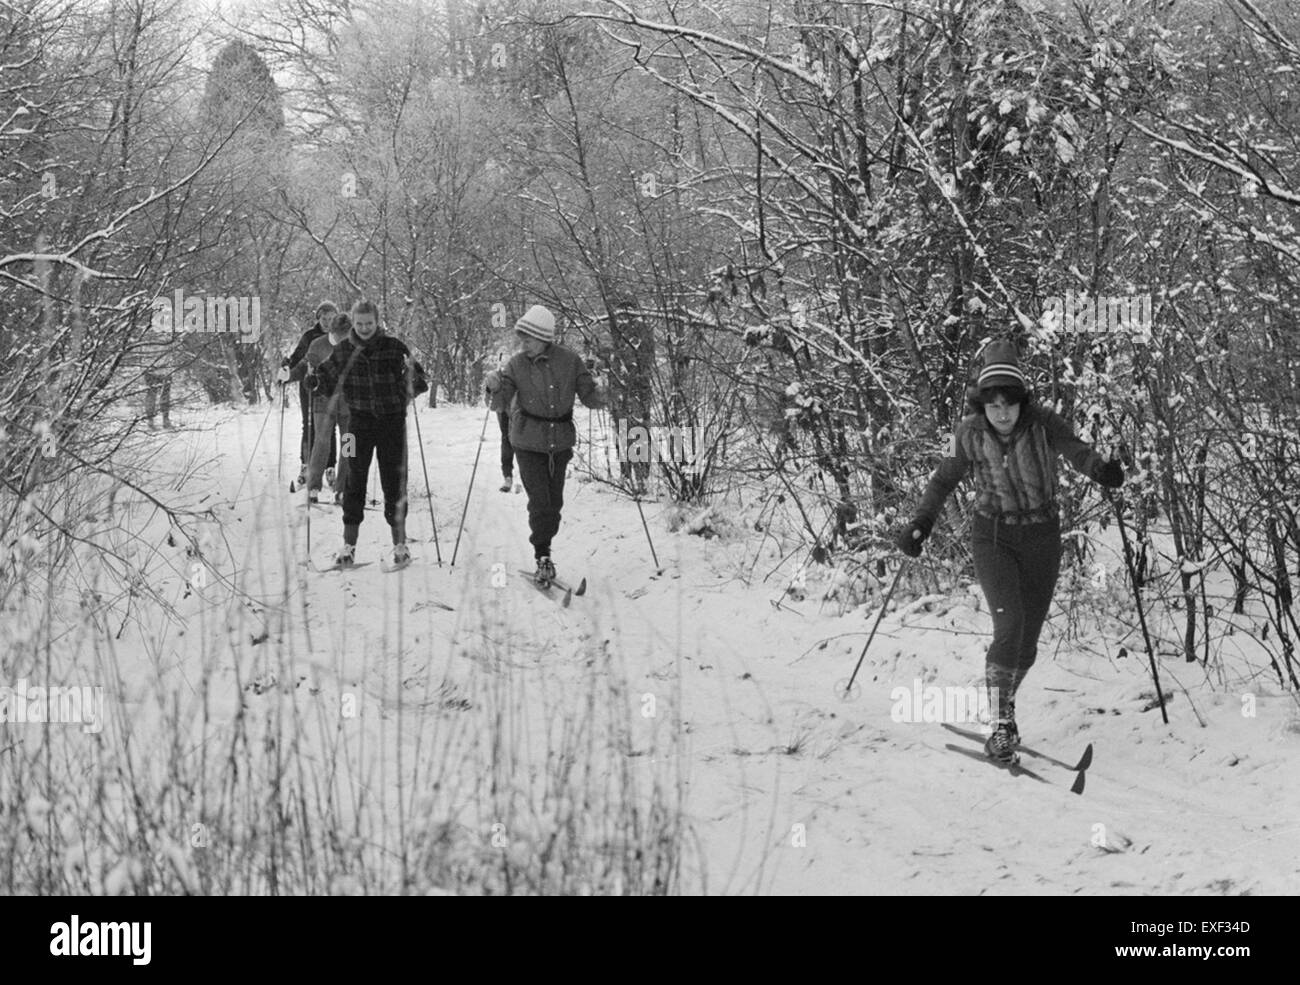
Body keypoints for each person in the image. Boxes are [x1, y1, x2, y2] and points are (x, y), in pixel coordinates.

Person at [894, 340, 1124, 764]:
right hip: (993, 538)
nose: (1002, 413)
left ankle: (1006, 708)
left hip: (1042, 537)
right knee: (1009, 625)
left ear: (1021, 401)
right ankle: (1000, 725)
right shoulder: (967, 434)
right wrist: (920, 522)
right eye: (993, 404)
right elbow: (943, 480)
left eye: (1009, 403)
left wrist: (1101, 470)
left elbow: (1077, 451)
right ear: (982, 404)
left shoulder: (1043, 424)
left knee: (1028, 643)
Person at [485, 304, 606, 586]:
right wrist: (493, 386)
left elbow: (590, 397)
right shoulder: (515, 364)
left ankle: (544, 546)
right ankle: (543, 556)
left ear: (544, 338)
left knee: (554, 503)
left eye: (528, 339)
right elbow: (500, 404)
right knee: (540, 502)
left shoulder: (570, 361)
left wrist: (605, 388)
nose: (523, 344)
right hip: (526, 441)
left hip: (560, 441)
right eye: (522, 339)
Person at [307, 300, 428, 567]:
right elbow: (324, 380)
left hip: (392, 424)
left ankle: (400, 544)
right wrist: (314, 381)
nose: (364, 328)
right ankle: (349, 545)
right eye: (359, 324)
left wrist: (406, 388)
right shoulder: (344, 350)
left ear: (377, 322)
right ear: (353, 322)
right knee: (353, 481)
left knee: (394, 484)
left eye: (369, 323)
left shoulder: (394, 348)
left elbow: (420, 382)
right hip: (356, 426)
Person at [283, 312, 350, 501]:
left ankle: (344, 488)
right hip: (323, 403)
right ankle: (313, 486)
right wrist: (289, 376)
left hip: (348, 405)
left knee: (349, 445)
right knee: (321, 443)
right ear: (333, 331)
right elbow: (304, 366)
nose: (344, 341)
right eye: (341, 337)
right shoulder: (318, 345)